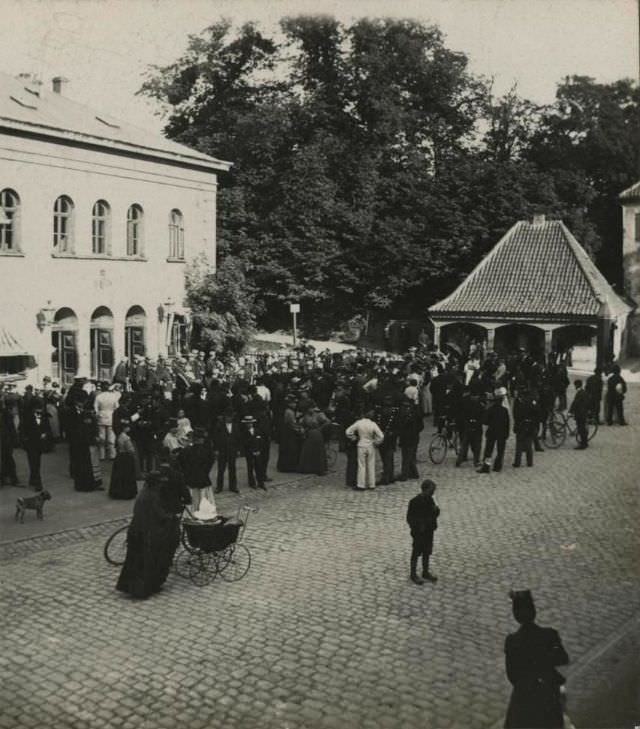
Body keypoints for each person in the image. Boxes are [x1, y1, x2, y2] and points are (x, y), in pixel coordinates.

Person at [504, 590, 569, 728]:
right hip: (547, 694)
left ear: (516, 615)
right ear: (534, 611)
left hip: (524, 697)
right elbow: (563, 660)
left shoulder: (512, 641)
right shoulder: (550, 635)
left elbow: (512, 675)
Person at [116, 471, 180, 599]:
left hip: (136, 530)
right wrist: (172, 517)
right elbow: (159, 514)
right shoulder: (152, 495)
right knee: (148, 560)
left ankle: (130, 586)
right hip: (147, 533)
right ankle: (144, 588)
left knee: (135, 560)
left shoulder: (144, 493)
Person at [406, 479, 440, 585]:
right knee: (416, 552)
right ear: (425, 490)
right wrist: (419, 526)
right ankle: (413, 574)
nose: (433, 492)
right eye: (431, 490)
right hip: (419, 532)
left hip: (429, 531)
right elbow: (410, 518)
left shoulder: (430, 500)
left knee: (427, 551)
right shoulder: (414, 501)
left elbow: (435, 513)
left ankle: (425, 572)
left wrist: (436, 511)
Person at [345, 408, 384, 490]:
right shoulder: (373, 424)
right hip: (370, 445)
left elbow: (348, 431)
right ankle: (371, 484)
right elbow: (381, 436)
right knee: (371, 464)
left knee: (361, 465)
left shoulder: (359, 423)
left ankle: (361, 484)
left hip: (361, 444)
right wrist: (376, 442)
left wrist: (354, 438)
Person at [21, 400, 52, 490]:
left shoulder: (44, 416)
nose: (40, 411)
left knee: (36, 463)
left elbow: (47, 428)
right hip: (31, 443)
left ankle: (32, 479)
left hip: (40, 444)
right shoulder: (27, 417)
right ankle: (38, 483)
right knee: (34, 462)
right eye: (38, 409)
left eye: (41, 409)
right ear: (33, 409)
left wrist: (45, 433)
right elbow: (23, 430)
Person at [479, 388, 510, 474]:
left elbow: (485, 421)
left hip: (492, 432)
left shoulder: (491, 409)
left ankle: (486, 467)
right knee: (500, 451)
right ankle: (498, 466)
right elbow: (507, 423)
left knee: (488, 451)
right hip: (502, 433)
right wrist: (507, 433)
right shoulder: (505, 410)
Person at [109, 419, 139, 499]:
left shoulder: (119, 436)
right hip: (126, 457)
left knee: (119, 476)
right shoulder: (126, 438)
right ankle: (127, 492)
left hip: (119, 457)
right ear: (125, 428)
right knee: (127, 475)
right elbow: (131, 449)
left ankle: (118, 492)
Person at [297, 403, 330, 476]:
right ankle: (308, 468)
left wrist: (320, 429)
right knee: (308, 451)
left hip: (317, 433)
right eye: (308, 409)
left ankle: (319, 469)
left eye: (311, 408)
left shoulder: (319, 414)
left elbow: (327, 422)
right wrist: (302, 428)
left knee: (318, 451)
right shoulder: (305, 415)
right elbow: (302, 424)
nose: (310, 410)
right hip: (309, 434)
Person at [212, 410, 240, 493]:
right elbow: (215, 438)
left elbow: (238, 438)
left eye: (231, 416)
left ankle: (233, 486)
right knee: (221, 469)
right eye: (228, 416)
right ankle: (219, 487)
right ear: (225, 417)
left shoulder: (235, 426)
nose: (229, 418)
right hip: (222, 450)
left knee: (232, 469)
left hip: (232, 450)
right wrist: (216, 449)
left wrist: (238, 450)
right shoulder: (219, 425)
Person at [396, 399, 423, 481]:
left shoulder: (414, 415)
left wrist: (414, 432)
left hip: (412, 438)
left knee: (406, 457)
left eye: (407, 406)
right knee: (409, 457)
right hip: (405, 439)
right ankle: (414, 473)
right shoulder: (402, 415)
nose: (405, 408)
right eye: (404, 406)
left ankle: (404, 475)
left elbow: (421, 426)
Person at [240, 415, 268, 490]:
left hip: (258, 452)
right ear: (245, 424)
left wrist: (259, 450)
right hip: (250, 453)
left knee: (259, 468)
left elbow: (261, 441)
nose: (249, 424)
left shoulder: (257, 431)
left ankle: (261, 483)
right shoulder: (244, 433)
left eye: (250, 423)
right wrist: (251, 452)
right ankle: (252, 483)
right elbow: (244, 444)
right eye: (247, 423)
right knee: (250, 468)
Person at [512, 390, 537, 467]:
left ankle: (517, 462)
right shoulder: (532, 402)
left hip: (521, 425)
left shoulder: (519, 403)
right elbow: (536, 413)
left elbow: (515, 414)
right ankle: (529, 462)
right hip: (530, 425)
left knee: (519, 444)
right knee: (529, 444)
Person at [569, 380, 589, 450]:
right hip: (584, 413)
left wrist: (570, 412)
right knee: (583, 428)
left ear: (576, 385)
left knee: (581, 428)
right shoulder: (584, 392)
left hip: (580, 414)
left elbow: (575, 403)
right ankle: (585, 442)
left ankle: (583, 444)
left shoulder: (579, 393)